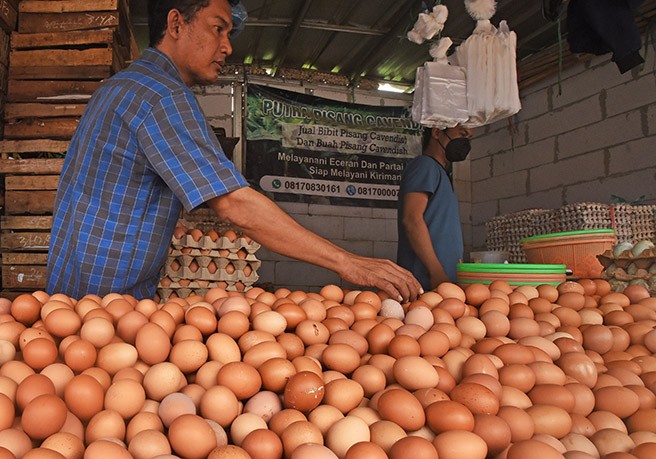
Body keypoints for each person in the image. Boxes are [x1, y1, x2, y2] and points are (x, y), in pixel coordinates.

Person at [47, 0, 422, 302]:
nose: (227, 46)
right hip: (104, 301)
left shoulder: (121, 85)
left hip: (75, 288)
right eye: (218, 28)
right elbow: (234, 203)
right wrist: (347, 262)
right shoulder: (163, 96)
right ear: (176, 24)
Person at [397, 125, 474, 290]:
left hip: (442, 284)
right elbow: (411, 220)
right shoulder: (425, 165)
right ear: (437, 133)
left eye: (469, 138)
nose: (465, 142)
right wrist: (436, 272)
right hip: (425, 284)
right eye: (462, 134)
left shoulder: (440, 173)